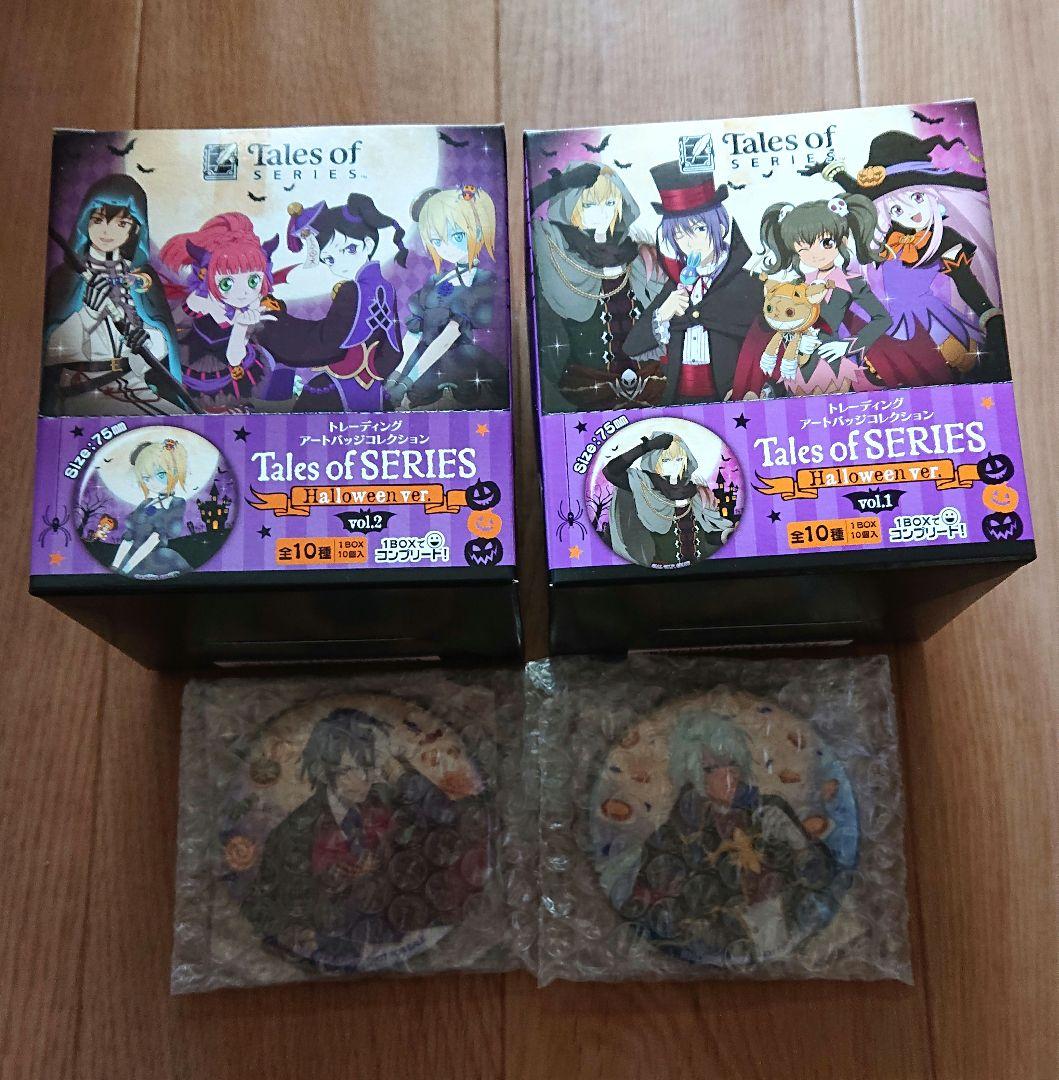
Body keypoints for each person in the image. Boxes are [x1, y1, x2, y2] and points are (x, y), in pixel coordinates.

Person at [241, 707, 486, 967]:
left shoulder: (394, 805)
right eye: (352, 770)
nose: (365, 779)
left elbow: (450, 820)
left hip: (404, 946)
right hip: (330, 958)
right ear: (324, 772)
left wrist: (400, 772)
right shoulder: (291, 833)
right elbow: (267, 912)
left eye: (370, 767)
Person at [621, 710, 839, 965]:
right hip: (722, 961)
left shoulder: (771, 810)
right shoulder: (672, 838)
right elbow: (652, 919)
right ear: (692, 772)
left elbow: (825, 880)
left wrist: (798, 842)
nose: (728, 775)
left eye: (732, 763)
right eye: (711, 768)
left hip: (794, 949)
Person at [43, 174, 185, 416]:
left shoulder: (142, 278)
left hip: (133, 381)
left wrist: (146, 339)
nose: (106, 231)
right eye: (98, 220)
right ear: (85, 222)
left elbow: (162, 340)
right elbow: (51, 351)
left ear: (135, 228)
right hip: (84, 387)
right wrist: (88, 315)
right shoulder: (66, 278)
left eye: (121, 224)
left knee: (178, 421)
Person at [624, 162, 763, 404]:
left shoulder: (748, 284)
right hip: (678, 398)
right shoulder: (675, 284)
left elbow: (765, 345)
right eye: (678, 234)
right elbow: (633, 346)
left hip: (730, 397)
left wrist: (749, 387)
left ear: (720, 226)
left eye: (699, 229)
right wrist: (662, 314)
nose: (689, 242)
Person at [529, 162, 664, 410]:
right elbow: (514, 214)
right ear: (571, 207)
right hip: (587, 390)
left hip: (653, 386)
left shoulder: (639, 255)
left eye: (610, 203)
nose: (602, 213)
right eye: (589, 205)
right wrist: (560, 183)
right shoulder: (554, 249)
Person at [386, 184, 506, 409]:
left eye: (458, 235)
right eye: (437, 241)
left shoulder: (482, 281)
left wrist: (404, 383)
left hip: (456, 361)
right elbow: (415, 333)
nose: (447, 247)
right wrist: (395, 375)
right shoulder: (436, 280)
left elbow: (447, 338)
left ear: (478, 232)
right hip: (423, 357)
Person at [603, 432, 733, 568]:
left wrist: (725, 536)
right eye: (666, 460)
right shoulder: (643, 486)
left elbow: (708, 535)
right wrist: (647, 446)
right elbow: (610, 472)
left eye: (679, 459)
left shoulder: (697, 492)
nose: (674, 466)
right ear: (654, 462)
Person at [110, 438, 193, 579]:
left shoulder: (176, 503)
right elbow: (130, 534)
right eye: (146, 478)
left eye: (160, 474)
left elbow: (165, 533)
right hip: (132, 553)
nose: (152, 483)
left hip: (156, 557)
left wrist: (127, 568)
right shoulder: (146, 504)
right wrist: (116, 566)